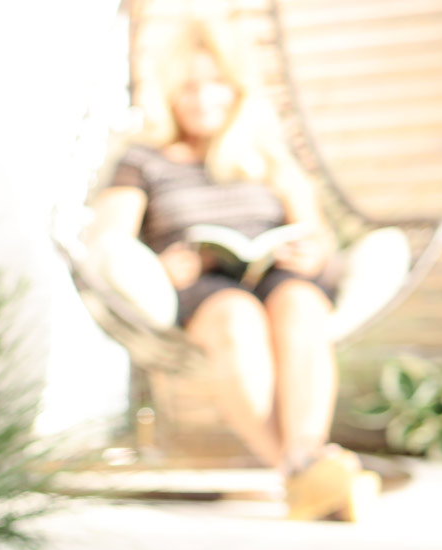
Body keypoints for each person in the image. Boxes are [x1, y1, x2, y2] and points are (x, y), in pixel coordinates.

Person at [89, 15, 379, 521]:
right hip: (202, 286)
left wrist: (314, 252)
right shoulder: (141, 159)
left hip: (278, 273)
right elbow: (109, 238)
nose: (203, 99)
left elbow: (317, 234)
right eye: (189, 87)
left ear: (237, 88)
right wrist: (162, 269)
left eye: (216, 84)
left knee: (301, 303)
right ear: (170, 92)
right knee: (238, 316)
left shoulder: (267, 156)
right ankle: (303, 470)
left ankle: (303, 465)